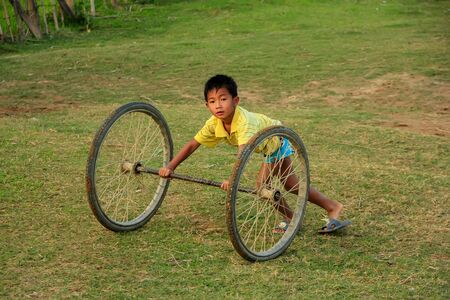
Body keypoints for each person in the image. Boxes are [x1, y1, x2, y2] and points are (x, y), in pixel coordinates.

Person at [159, 74, 351, 233]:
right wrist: (170, 166)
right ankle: (307, 214)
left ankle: (315, 212)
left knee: (265, 186)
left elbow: (243, 153)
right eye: (212, 101)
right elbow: (193, 144)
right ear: (207, 105)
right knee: (288, 184)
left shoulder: (244, 122)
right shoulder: (214, 122)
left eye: (223, 99)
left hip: (276, 139)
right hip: (266, 144)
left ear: (235, 101)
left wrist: (231, 179)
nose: (218, 105)